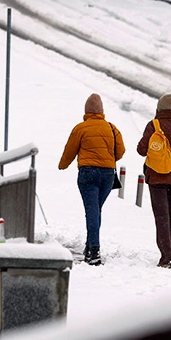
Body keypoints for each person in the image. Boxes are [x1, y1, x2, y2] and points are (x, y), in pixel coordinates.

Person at [59, 93, 125, 265]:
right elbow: (121, 151)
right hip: (108, 175)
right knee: (95, 210)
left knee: (92, 211)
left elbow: (70, 151)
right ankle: (90, 246)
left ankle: (94, 250)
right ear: (102, 110)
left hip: (88, 174)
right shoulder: (112, 128)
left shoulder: (81, 128)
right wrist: (108, 160)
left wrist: (63, 165)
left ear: (86, 111)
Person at [137, 93, 171, 268]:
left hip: (157, 178)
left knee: (162, 216)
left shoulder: (153, 125)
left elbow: (142, 150)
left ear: (158, 108)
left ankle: (166, 257)